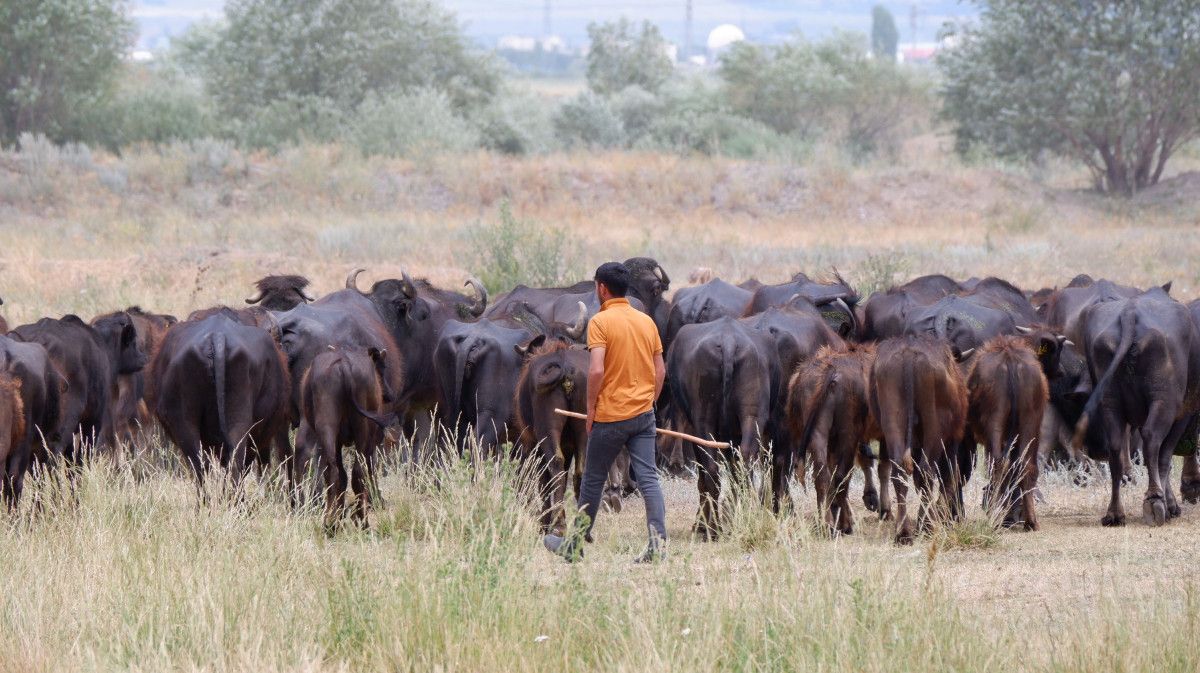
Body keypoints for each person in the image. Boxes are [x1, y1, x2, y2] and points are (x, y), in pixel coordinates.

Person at [543, 262, 668, 563]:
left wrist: (590, 410)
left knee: (593, 479)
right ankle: (657, 547)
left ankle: (573, 545)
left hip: (610, 416)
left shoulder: (600, 322)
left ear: (601, 288)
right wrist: (649, 401)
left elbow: (596, 369)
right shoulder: (646, 322)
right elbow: (660, 369)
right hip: (643, 415)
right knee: (649, 478)